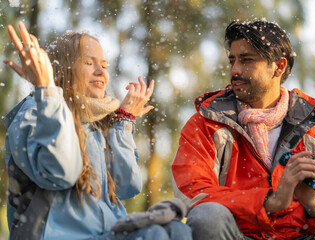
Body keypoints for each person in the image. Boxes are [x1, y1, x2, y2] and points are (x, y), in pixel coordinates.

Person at [171, 19, 315, 240]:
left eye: (246, 60)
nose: (235, 71)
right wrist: (272, 202)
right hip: (239, 235)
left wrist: (312, 203)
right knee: (207, 216)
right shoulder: (204, 125)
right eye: (232, 61)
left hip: (302, 236)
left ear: (278, 67)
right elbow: (194, 195)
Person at [3, 22, 191, 240]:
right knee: (153, 236)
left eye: (104, 64)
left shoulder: (98, 123)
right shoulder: (34, 112)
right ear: (64, 68)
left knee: (178, 231)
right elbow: (59, 174)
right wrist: (47, 91)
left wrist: (123, 123)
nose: (101, 71)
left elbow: (126, 186)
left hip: (105, 234)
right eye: (88, 62)